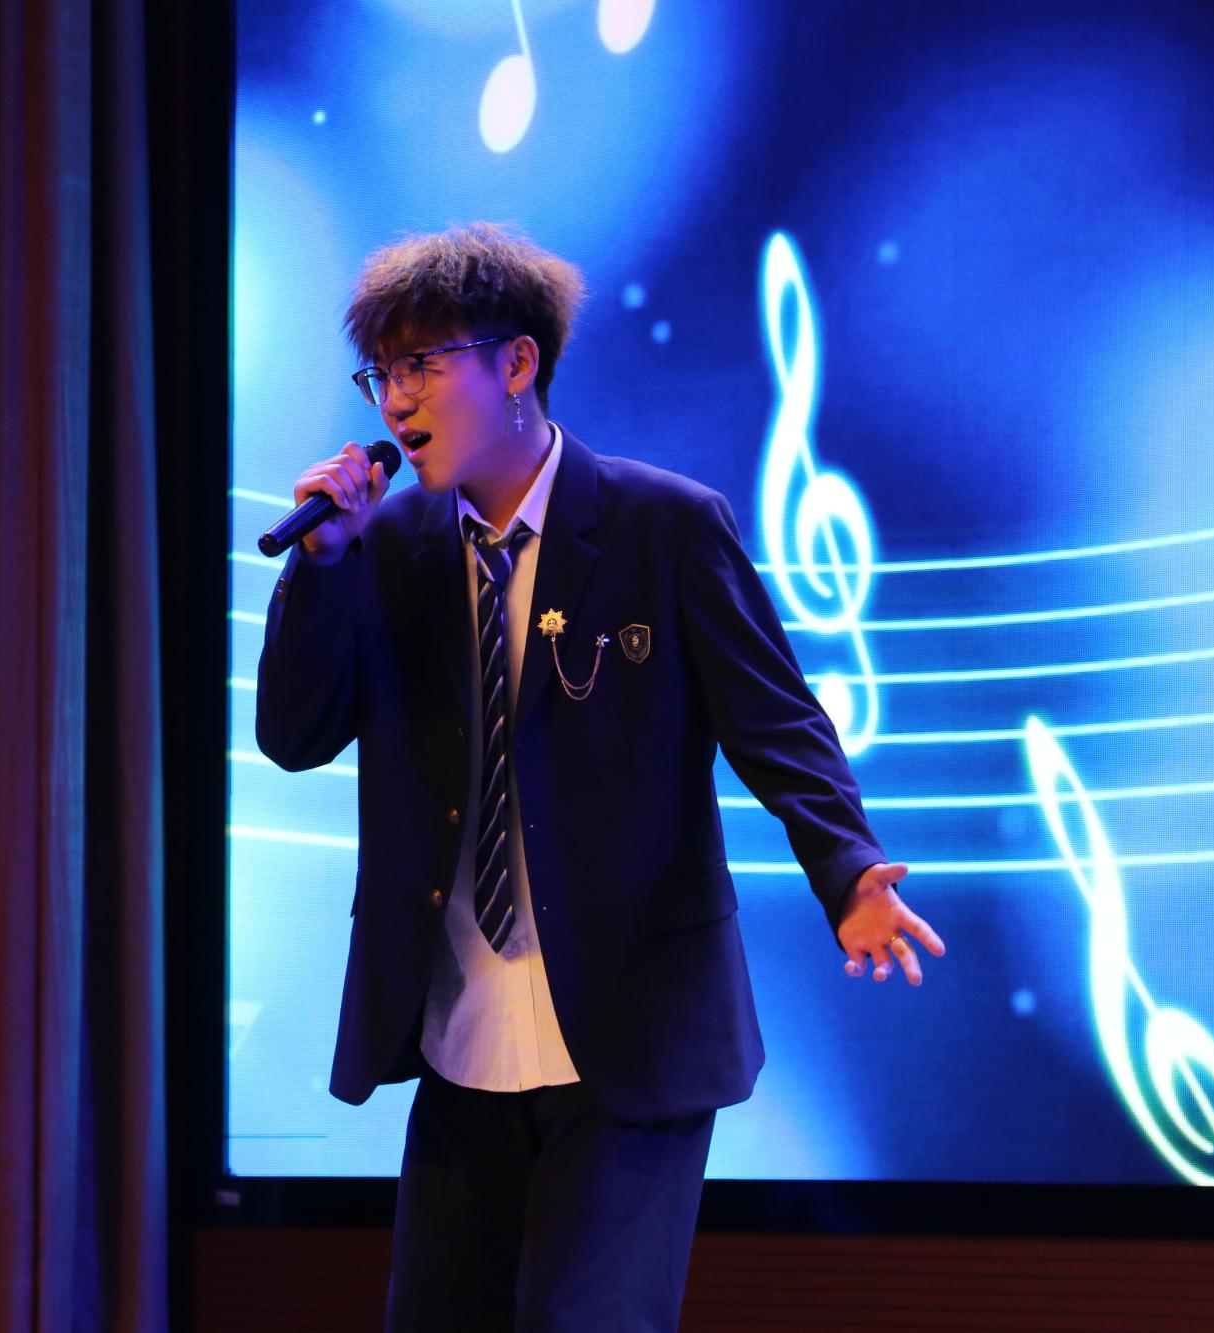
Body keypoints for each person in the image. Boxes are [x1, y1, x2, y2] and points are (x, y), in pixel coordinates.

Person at [256, 223, 944, 1331]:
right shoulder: (387, 546)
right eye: (379, 373)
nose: (395, 399)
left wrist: (849, 872)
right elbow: (294, 736)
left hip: (629, 1034)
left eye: (421, 363)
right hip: (460, 1034)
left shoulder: (661, 526)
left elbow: (776, 723)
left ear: (517, 363)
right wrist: (321, 572)